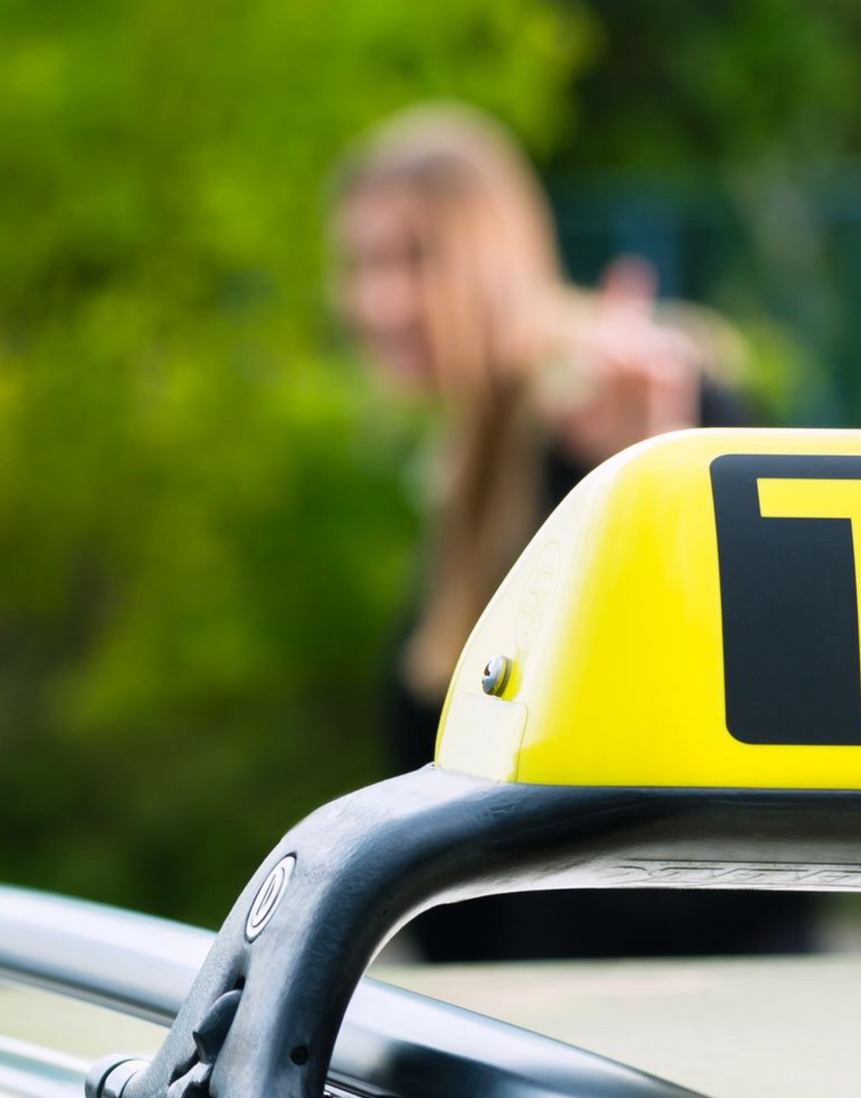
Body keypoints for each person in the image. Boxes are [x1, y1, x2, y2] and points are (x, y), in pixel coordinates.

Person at [331, 104, 817, 963]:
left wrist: (649, 462)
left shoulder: (604, 404)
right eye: (361, 263)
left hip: (655, 1001)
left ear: (497, 255)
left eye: (417, 257)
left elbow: (753, 666)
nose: (381, 299)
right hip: (526, 1005)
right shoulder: (472, 460)